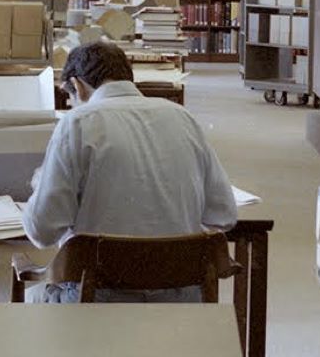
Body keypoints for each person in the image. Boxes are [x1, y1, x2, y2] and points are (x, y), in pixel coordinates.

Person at [21, 41, 238, 303]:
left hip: (98, 301)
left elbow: (41, 232)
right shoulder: (182, 117)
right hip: (181, 298)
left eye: (70, 99)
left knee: (27, 300)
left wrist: (41, 186)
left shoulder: (77, 123)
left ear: (77, 86)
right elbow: (224, 214)